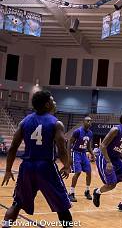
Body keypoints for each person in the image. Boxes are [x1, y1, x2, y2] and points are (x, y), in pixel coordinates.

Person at [1, 90, 73, 228]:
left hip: (27, 167)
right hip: (46, 167)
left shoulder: (24, 122)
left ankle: (5, 226)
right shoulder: (56, 123)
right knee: (62, 206)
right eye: (52, 100)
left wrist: (9, 169)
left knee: (17, 203)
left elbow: (13, 148)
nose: (54, 102)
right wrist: (67, 165)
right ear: (47, 104)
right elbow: (61, 148)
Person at [92, 112, 122, 213]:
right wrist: (108, 162)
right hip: (105, 157)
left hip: (116, 159)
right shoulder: (116, 130)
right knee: (111, 184)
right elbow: (102, 146)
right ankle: (97, 192)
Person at [68, 116, 94, 202]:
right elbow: (69, 143)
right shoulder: (77, 131)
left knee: (89, 172)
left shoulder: (90, 133)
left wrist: (92, 154)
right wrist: (69, 156)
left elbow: (89, 146)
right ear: (83, 122)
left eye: (90, 121)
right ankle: (71, 193)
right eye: (87, 121)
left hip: (83, 153)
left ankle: (87, 191)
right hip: (76, 153)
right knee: (78, 172)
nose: (89, 122)